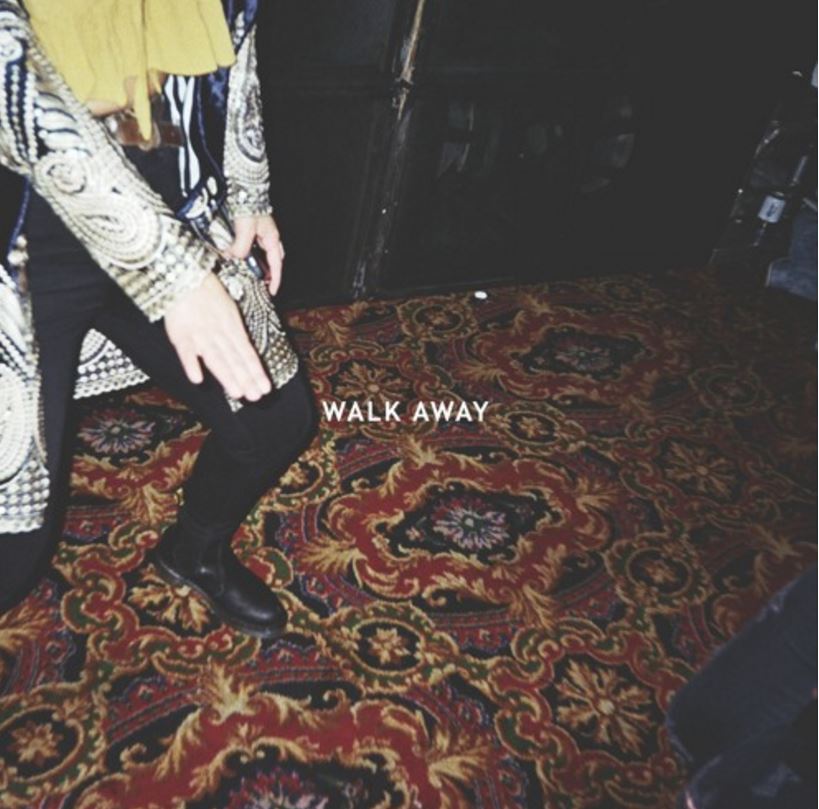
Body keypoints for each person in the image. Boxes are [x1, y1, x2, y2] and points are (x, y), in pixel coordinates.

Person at [0, 0, 319, 638]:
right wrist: (170, 272)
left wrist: (249, 190)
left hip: (165, 185)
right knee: (15, 545)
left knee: (276, 419)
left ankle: (193, 552)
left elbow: (230, 25)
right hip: (23, 224)